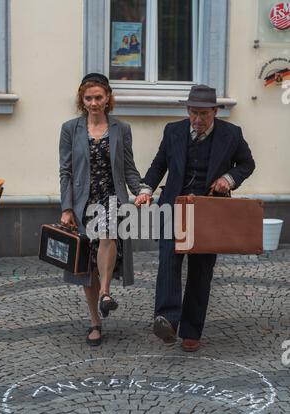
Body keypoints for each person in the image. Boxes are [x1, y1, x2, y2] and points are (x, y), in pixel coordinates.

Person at [135, 84, 255, 352]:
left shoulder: (232, 134)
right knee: (169, 261)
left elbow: (247, 164)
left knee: (201, 271)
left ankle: (191, 330)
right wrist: (145, 190)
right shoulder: (173, 131)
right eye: (193, 113)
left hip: (209, 210)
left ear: (215, 111)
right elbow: (158, 166)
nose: (198, 120)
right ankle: (167, 319)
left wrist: (228, 178)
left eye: (203, 114)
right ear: (187, 110)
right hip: (174, 206)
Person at [59, 73, 150, 346]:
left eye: (99, 97)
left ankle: (106, 293)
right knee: (87, 268)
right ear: (81, 100)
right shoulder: (69, 129)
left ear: (108, 98)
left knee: (108, 233)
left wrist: (142, 190)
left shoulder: (121, 129)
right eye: (88, 98)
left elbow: (129, 169)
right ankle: (95, 323)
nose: (94, 102)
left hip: (112, 198)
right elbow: (65, 171)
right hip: (82, 202)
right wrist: (66, 208)